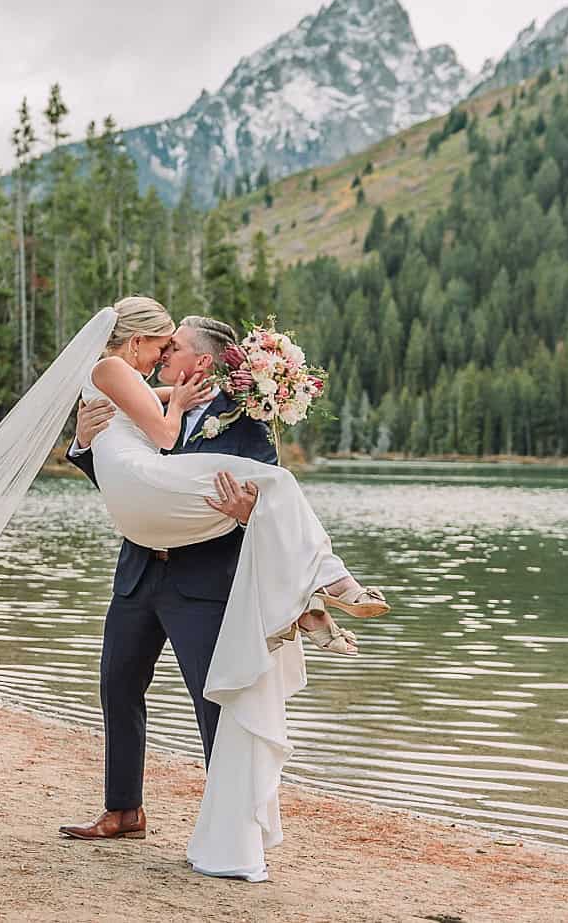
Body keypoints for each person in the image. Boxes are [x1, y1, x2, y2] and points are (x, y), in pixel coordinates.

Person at [61, 296, 387, 881]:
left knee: (217, 702)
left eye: (175, 347)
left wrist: (244, 515)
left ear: (202, 363)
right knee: (117, 687)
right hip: (140, 572)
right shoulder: (142, 399)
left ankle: (229, 829)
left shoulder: (246, 425)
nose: (164, 353)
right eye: (161, 344)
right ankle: (122, 810)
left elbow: (256, 497)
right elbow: (121, 475)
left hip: (201, 583)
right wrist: (83, 444)